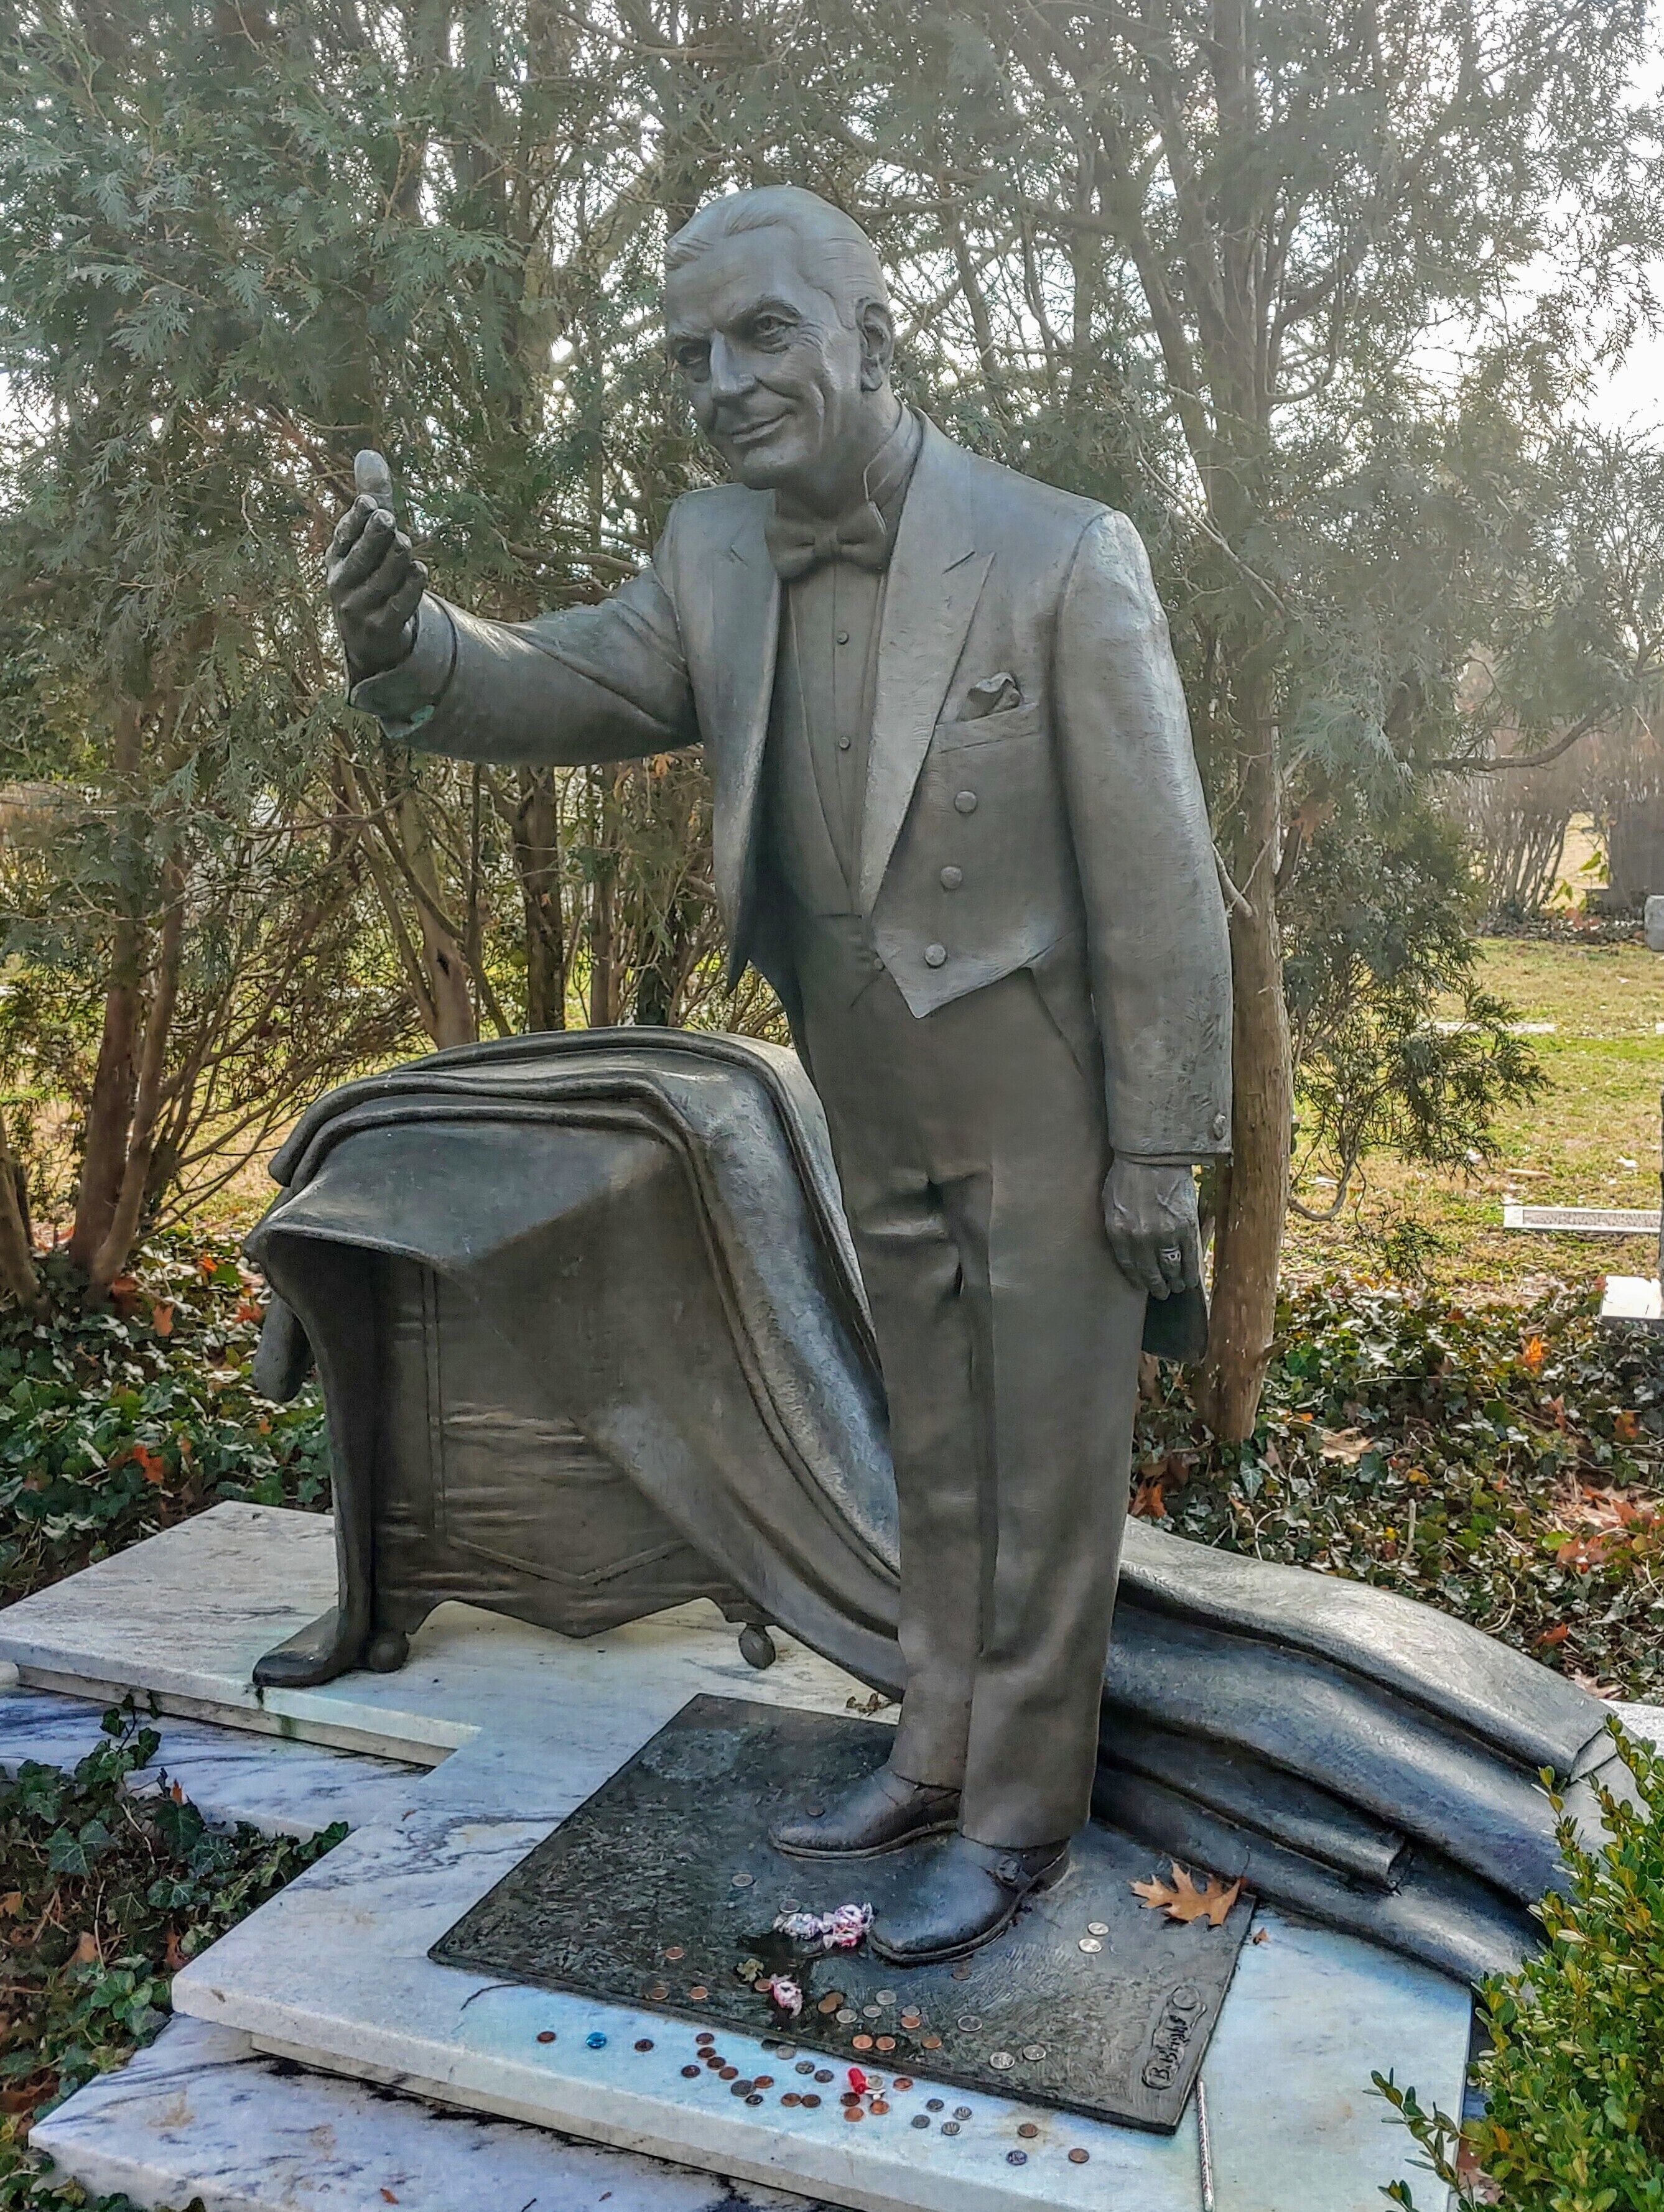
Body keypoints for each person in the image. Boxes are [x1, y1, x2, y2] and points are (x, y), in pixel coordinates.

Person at [328, 185, 1232, 1964]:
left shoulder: (1058, 553)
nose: (722, 384)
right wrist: (406, 646)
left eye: (761, 335)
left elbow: (1162, 880)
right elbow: (565, 681)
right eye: (690, 357)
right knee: (944, 1461)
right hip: (868, 1104)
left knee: (1050, 1479)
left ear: (869, 336)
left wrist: (1160, 1147)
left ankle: (1020, 1821)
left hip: (1048, 1111)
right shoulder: (714, 552)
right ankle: (935, 1748)